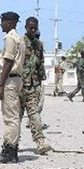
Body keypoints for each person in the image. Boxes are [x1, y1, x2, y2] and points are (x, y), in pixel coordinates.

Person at [0, 12, 25, 164]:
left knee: (10, 117)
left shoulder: (10, 38)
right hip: (17, 80)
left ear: (11, 22)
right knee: (14, 116)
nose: (1, 24)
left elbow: (8, 62)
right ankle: (12, 150)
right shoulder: (19, 38)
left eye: (3, 21)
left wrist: (1, 85)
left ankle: (9, 151)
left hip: (10, 80)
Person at [21, 17, 52, 155]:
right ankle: (11, 145)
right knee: (16, 117)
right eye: (30, 28)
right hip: (20, 85)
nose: (33, 30)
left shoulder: (39, 44)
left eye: (35, 28)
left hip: (33, 86)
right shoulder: (20, 43)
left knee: (34, 115)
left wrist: (39, 84)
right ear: (26, 27)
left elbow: (40, 64)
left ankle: (40, 142)